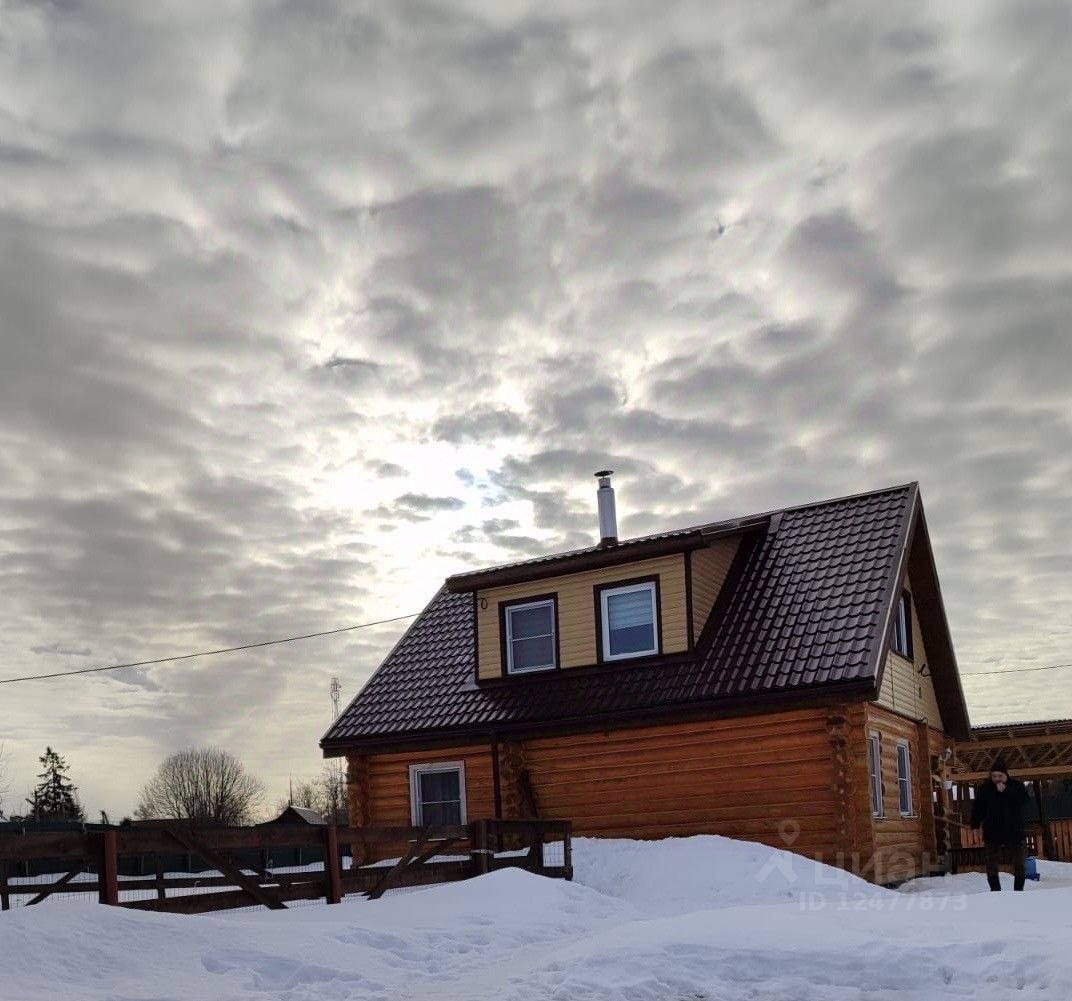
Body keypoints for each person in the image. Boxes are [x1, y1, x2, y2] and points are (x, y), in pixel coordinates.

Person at [970, 756, 1030, 891]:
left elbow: (1024, 800)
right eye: (994, 776)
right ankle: (995, 891)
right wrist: (975, 825)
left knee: (1019, 863)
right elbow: (978, 808)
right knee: (991, 863)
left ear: (1006, 775)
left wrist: (1006, 791)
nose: (997, 779)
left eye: (1000, 776)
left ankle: (1018, 891)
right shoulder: (985, 789)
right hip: (993, 831)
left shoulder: (1016, 786)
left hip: (1014, 830)